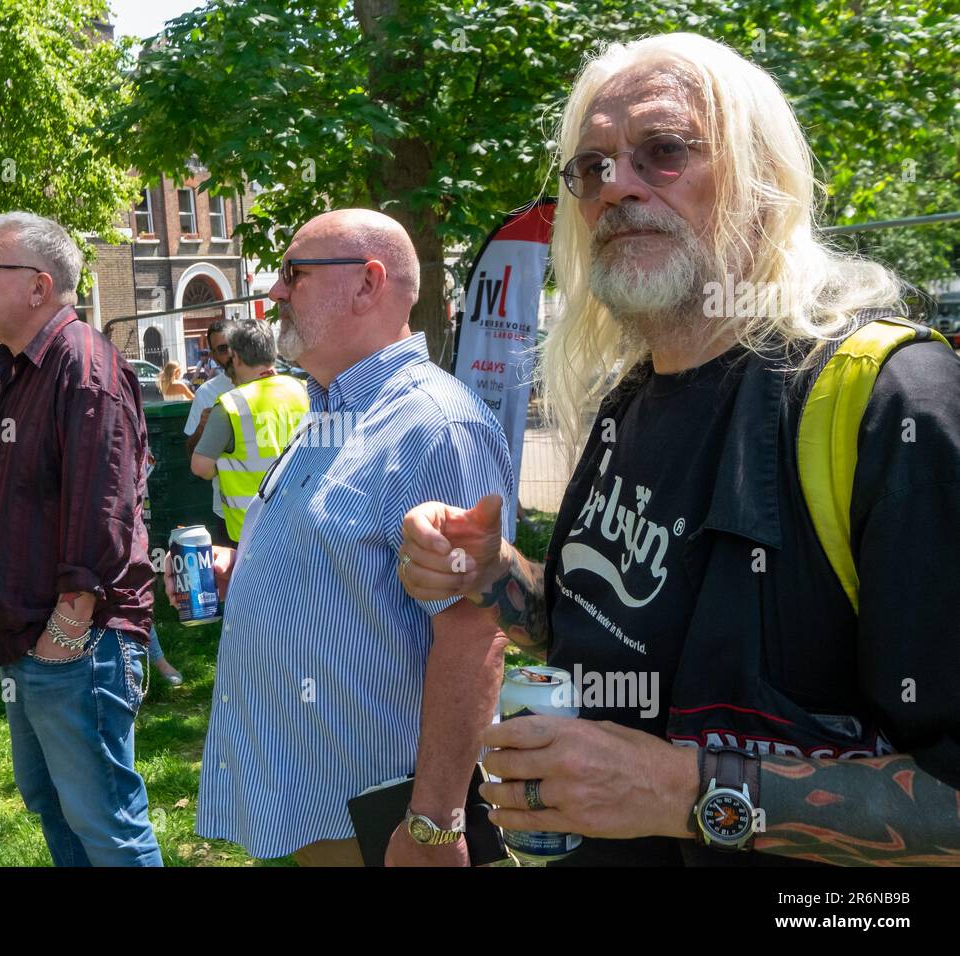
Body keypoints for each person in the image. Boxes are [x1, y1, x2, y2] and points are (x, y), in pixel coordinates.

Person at [397, 32, 960, 867]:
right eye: (590, 168)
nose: (614, 187)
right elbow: (606, 630)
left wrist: (680, 792)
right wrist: (494, 576)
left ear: (761, 179)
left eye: (661, 152)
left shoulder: (890, 403)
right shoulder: (633, 393)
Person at [172, 209, 516, 866]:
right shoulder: (329, 408)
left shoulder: (434, 425)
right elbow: (336, 552)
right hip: (319, 796)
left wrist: (435, 823)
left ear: (367, 284)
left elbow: (474, 634)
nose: (274, 294)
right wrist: (238, 569)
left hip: (382, 815)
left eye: (293, 274)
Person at [0, 211, 161, 867]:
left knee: (106, 825)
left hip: (77, 643)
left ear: (38, 286)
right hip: (36, 642)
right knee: (57, 809)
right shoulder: (23, 371)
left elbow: (104, 504)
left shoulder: (82, 366)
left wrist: (67, 629)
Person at [190, 318, 309, 542]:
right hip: (302, 524)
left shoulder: (229, 405)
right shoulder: (304, 390)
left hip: (251, 534)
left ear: (236, 357)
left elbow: (200, 467)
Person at [184, 320, 236, 546]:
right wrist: (202, 429)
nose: (232, 353)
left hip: (276, 505)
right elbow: (192, 455)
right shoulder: (208, 392)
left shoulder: (271, 384)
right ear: (213, 355)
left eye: (235, 344)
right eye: (223, 349)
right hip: (228, 509)